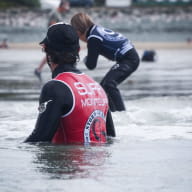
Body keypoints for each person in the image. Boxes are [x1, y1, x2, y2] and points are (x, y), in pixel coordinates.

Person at [25, 23, 115, 144]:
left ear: (46, 50)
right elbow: (110, 138)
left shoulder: (54, 88)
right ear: (78, 50)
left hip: (68, 162)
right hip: (100, 162)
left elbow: (39, 140)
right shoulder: (98, 88)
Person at [71, 13, 140, 112]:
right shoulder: (96, 29)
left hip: (129, 59)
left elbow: (91, 65)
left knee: (109, 84)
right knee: (103, 87)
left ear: (78, 31)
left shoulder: (93, 38)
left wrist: (85, 58)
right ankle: (112, 113)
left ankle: (122, 114)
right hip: (129, 57)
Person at [34, 0, 70, 82]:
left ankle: (40, 70)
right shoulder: (55, 13)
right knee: (54, 54)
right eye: (66, 6)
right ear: (62, 5)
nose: (67, 8)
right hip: (53, 37)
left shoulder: (60, 13)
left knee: (51, 54)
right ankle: (56, 72)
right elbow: (52, 26)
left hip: (56, 37)